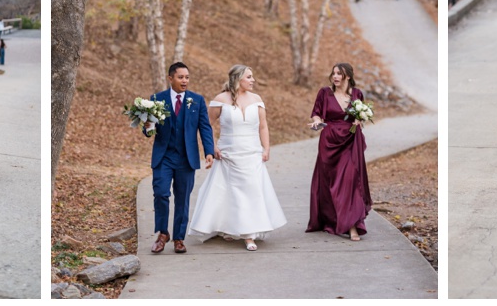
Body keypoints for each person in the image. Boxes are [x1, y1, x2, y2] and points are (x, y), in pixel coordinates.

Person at [189, 65, 287, 251]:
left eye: (253, 77)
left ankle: (249, 234)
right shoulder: (220, 99)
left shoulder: (257, 99)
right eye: (249, 77)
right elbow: (206, 125)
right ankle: (232, 228)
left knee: (251, 192)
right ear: (238, 79)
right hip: (228, 153)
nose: (253, 80)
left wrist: (266, 148)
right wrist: (213, 147)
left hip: (252, 153)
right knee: (230, 193)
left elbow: (263, 126)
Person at [144, 62, 215, 254]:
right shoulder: (157, 99)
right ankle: (162, 234)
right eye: (180, 77)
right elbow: (148, 130)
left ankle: (179, 238)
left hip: (186, 158)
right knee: (160, 193)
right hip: (163, 157)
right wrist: (148, 124)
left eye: (187, 77)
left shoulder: (197, 100)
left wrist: (209, 151)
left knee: (182, 199)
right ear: (170, 78)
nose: (184, 81)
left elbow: (205, 127)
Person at [307, 63, 371, 241]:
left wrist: (359, 120)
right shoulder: (324, 93)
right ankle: (331, 219)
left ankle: (352, 225)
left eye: (339, 74)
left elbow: (362, 115)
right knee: (330, 182)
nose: (335, 77)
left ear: (348, 76)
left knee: (350, 180)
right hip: (330, 140)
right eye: (333, 73)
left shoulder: (357, 94)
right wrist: (317, 121)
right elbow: (316, 112)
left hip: (350, 141)